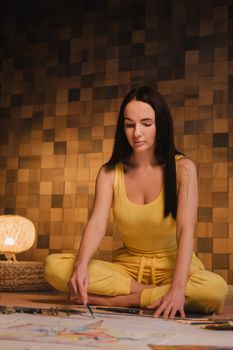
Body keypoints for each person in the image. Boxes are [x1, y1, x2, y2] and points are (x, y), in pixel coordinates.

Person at [44, 86, 228, 319]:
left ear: (161, 124)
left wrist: (178, 288)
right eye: (130, 124)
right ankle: (153, 295)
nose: (136, 133)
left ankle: (124, 301)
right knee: (54, 267)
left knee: (214, 289)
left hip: (173, 268)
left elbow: (185, 231)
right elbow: (97, 224)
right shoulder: (110, 173)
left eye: (146, 123)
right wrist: (81, 267)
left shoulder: (183, 168)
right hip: (127, 272)